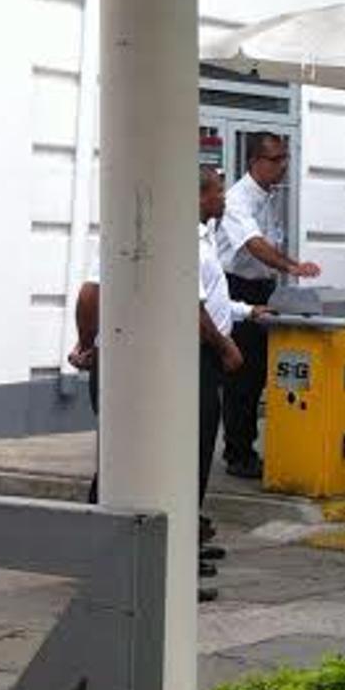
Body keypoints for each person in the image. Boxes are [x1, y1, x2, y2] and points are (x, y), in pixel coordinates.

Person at [68, 168, 256, 603]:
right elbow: (187, 306)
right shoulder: (167, 238)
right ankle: (138, 563)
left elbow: (202, 296)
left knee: (137, 458)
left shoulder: (177, 236)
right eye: (217, 193)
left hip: (141, 359)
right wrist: (226, 346)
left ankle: (157, 556)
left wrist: (87, 341)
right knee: (157, 460)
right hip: (160, 361)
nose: (224, 200)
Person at [217, 132, 321, 479]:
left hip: (263, 288)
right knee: (242, 375)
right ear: (255, 162)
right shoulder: (237, 199)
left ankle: (249, 445)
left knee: (260, 371)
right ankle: (238, 452)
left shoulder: (269, 196)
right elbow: (255, 246)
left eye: (285, 159)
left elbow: (270, 245)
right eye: (275, 160)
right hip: (237, 288)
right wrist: (291, 267)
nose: (282, 166)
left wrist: (288, 268)